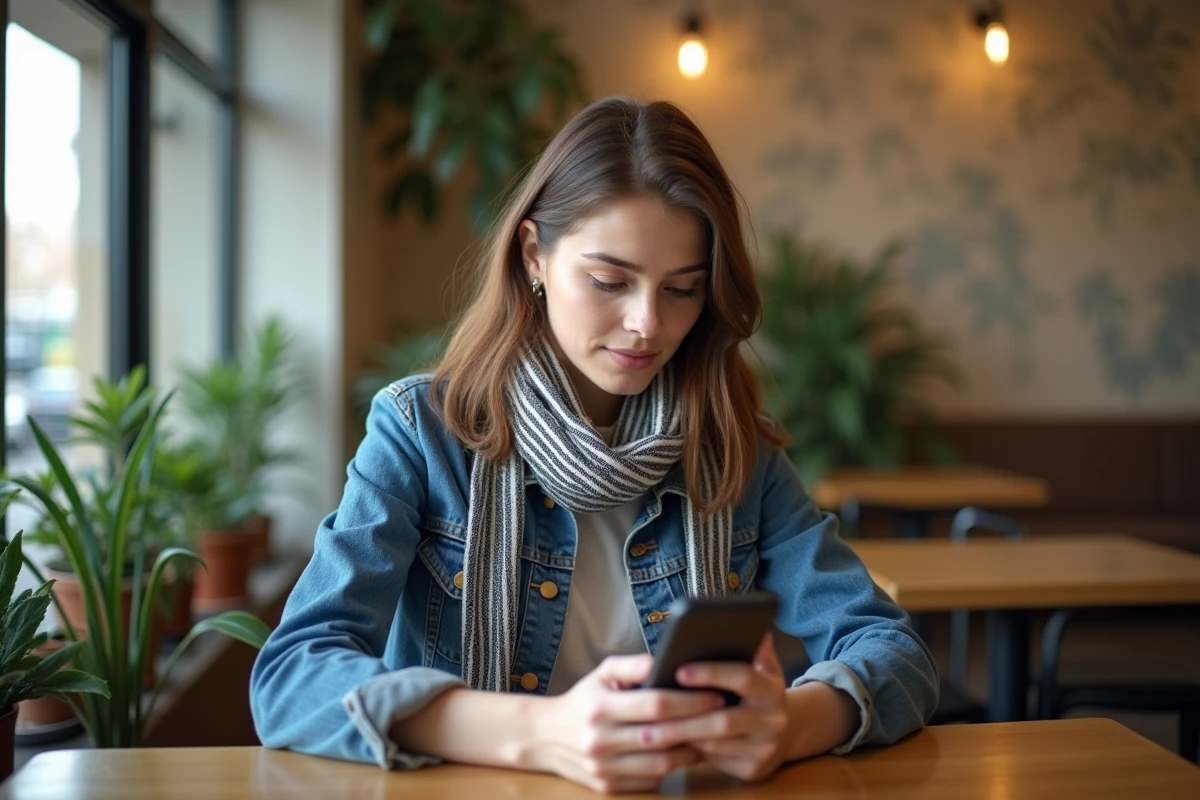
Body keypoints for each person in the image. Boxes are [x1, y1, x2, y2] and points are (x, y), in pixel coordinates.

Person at [250, 96, 938, 794]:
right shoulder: (420, 431)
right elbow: (292, 676)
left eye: (682, 289)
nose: (647, 324)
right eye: (610, 281)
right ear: (533, 257)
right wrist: (538, 734)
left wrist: (790, 723)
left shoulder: (734, 447)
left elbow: (894, 650)